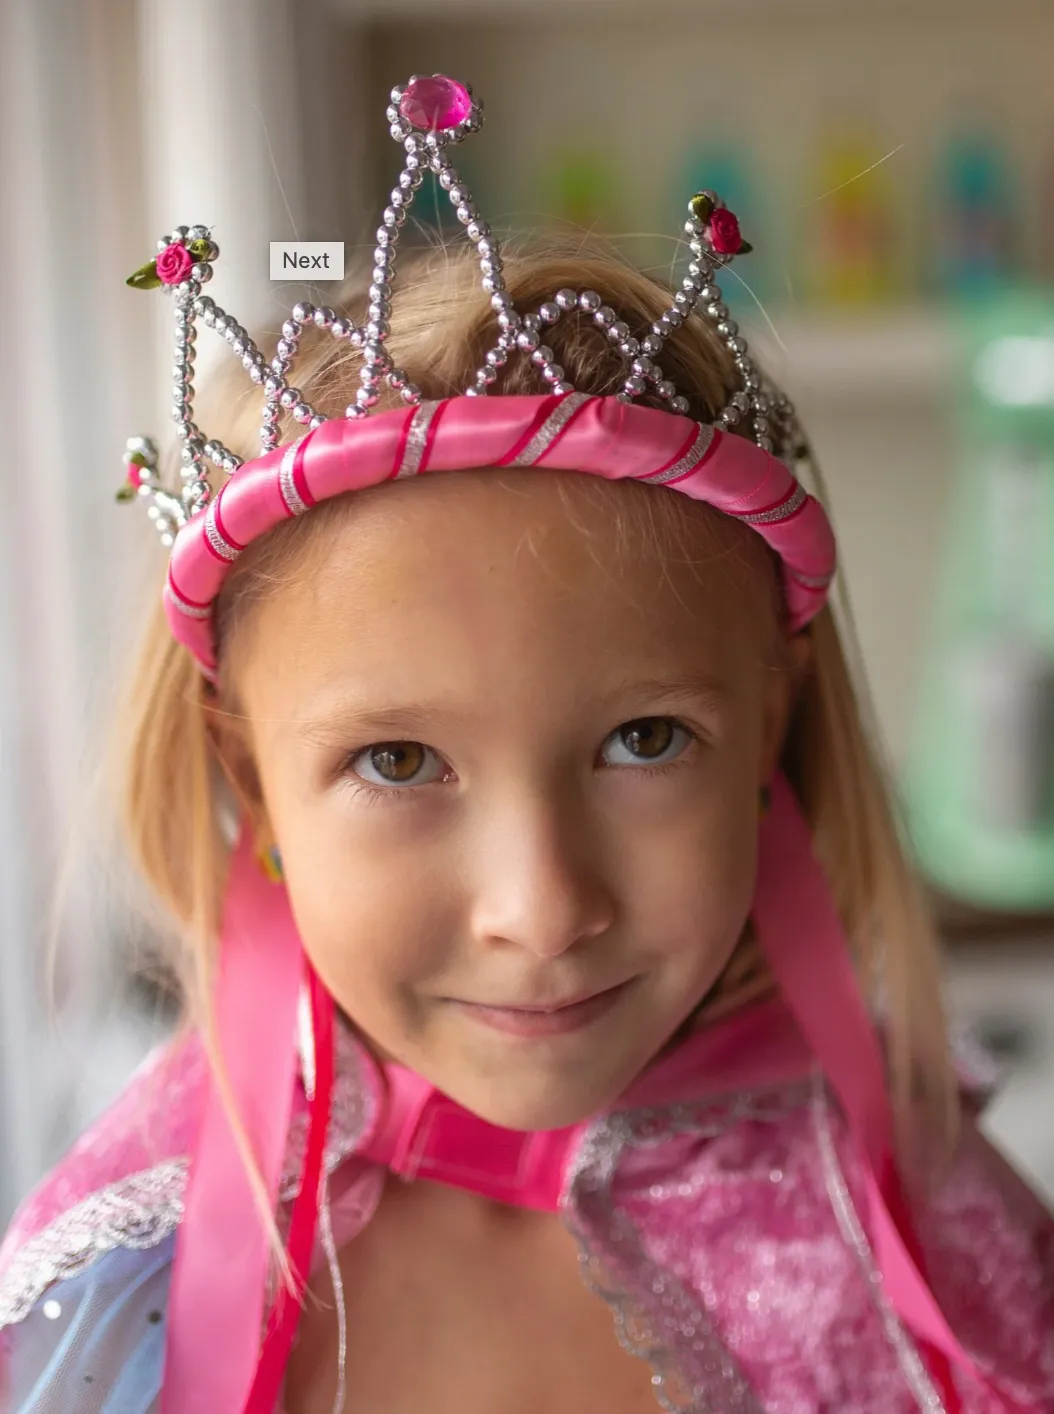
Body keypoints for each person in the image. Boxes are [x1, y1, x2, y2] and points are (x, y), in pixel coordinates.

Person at [0, 73, 1051, 1414]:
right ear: (243, 763)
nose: (541, 906)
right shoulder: (118, 1294)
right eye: (396, 760)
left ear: (770, 720)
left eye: (645, 737)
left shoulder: (925, 1246)